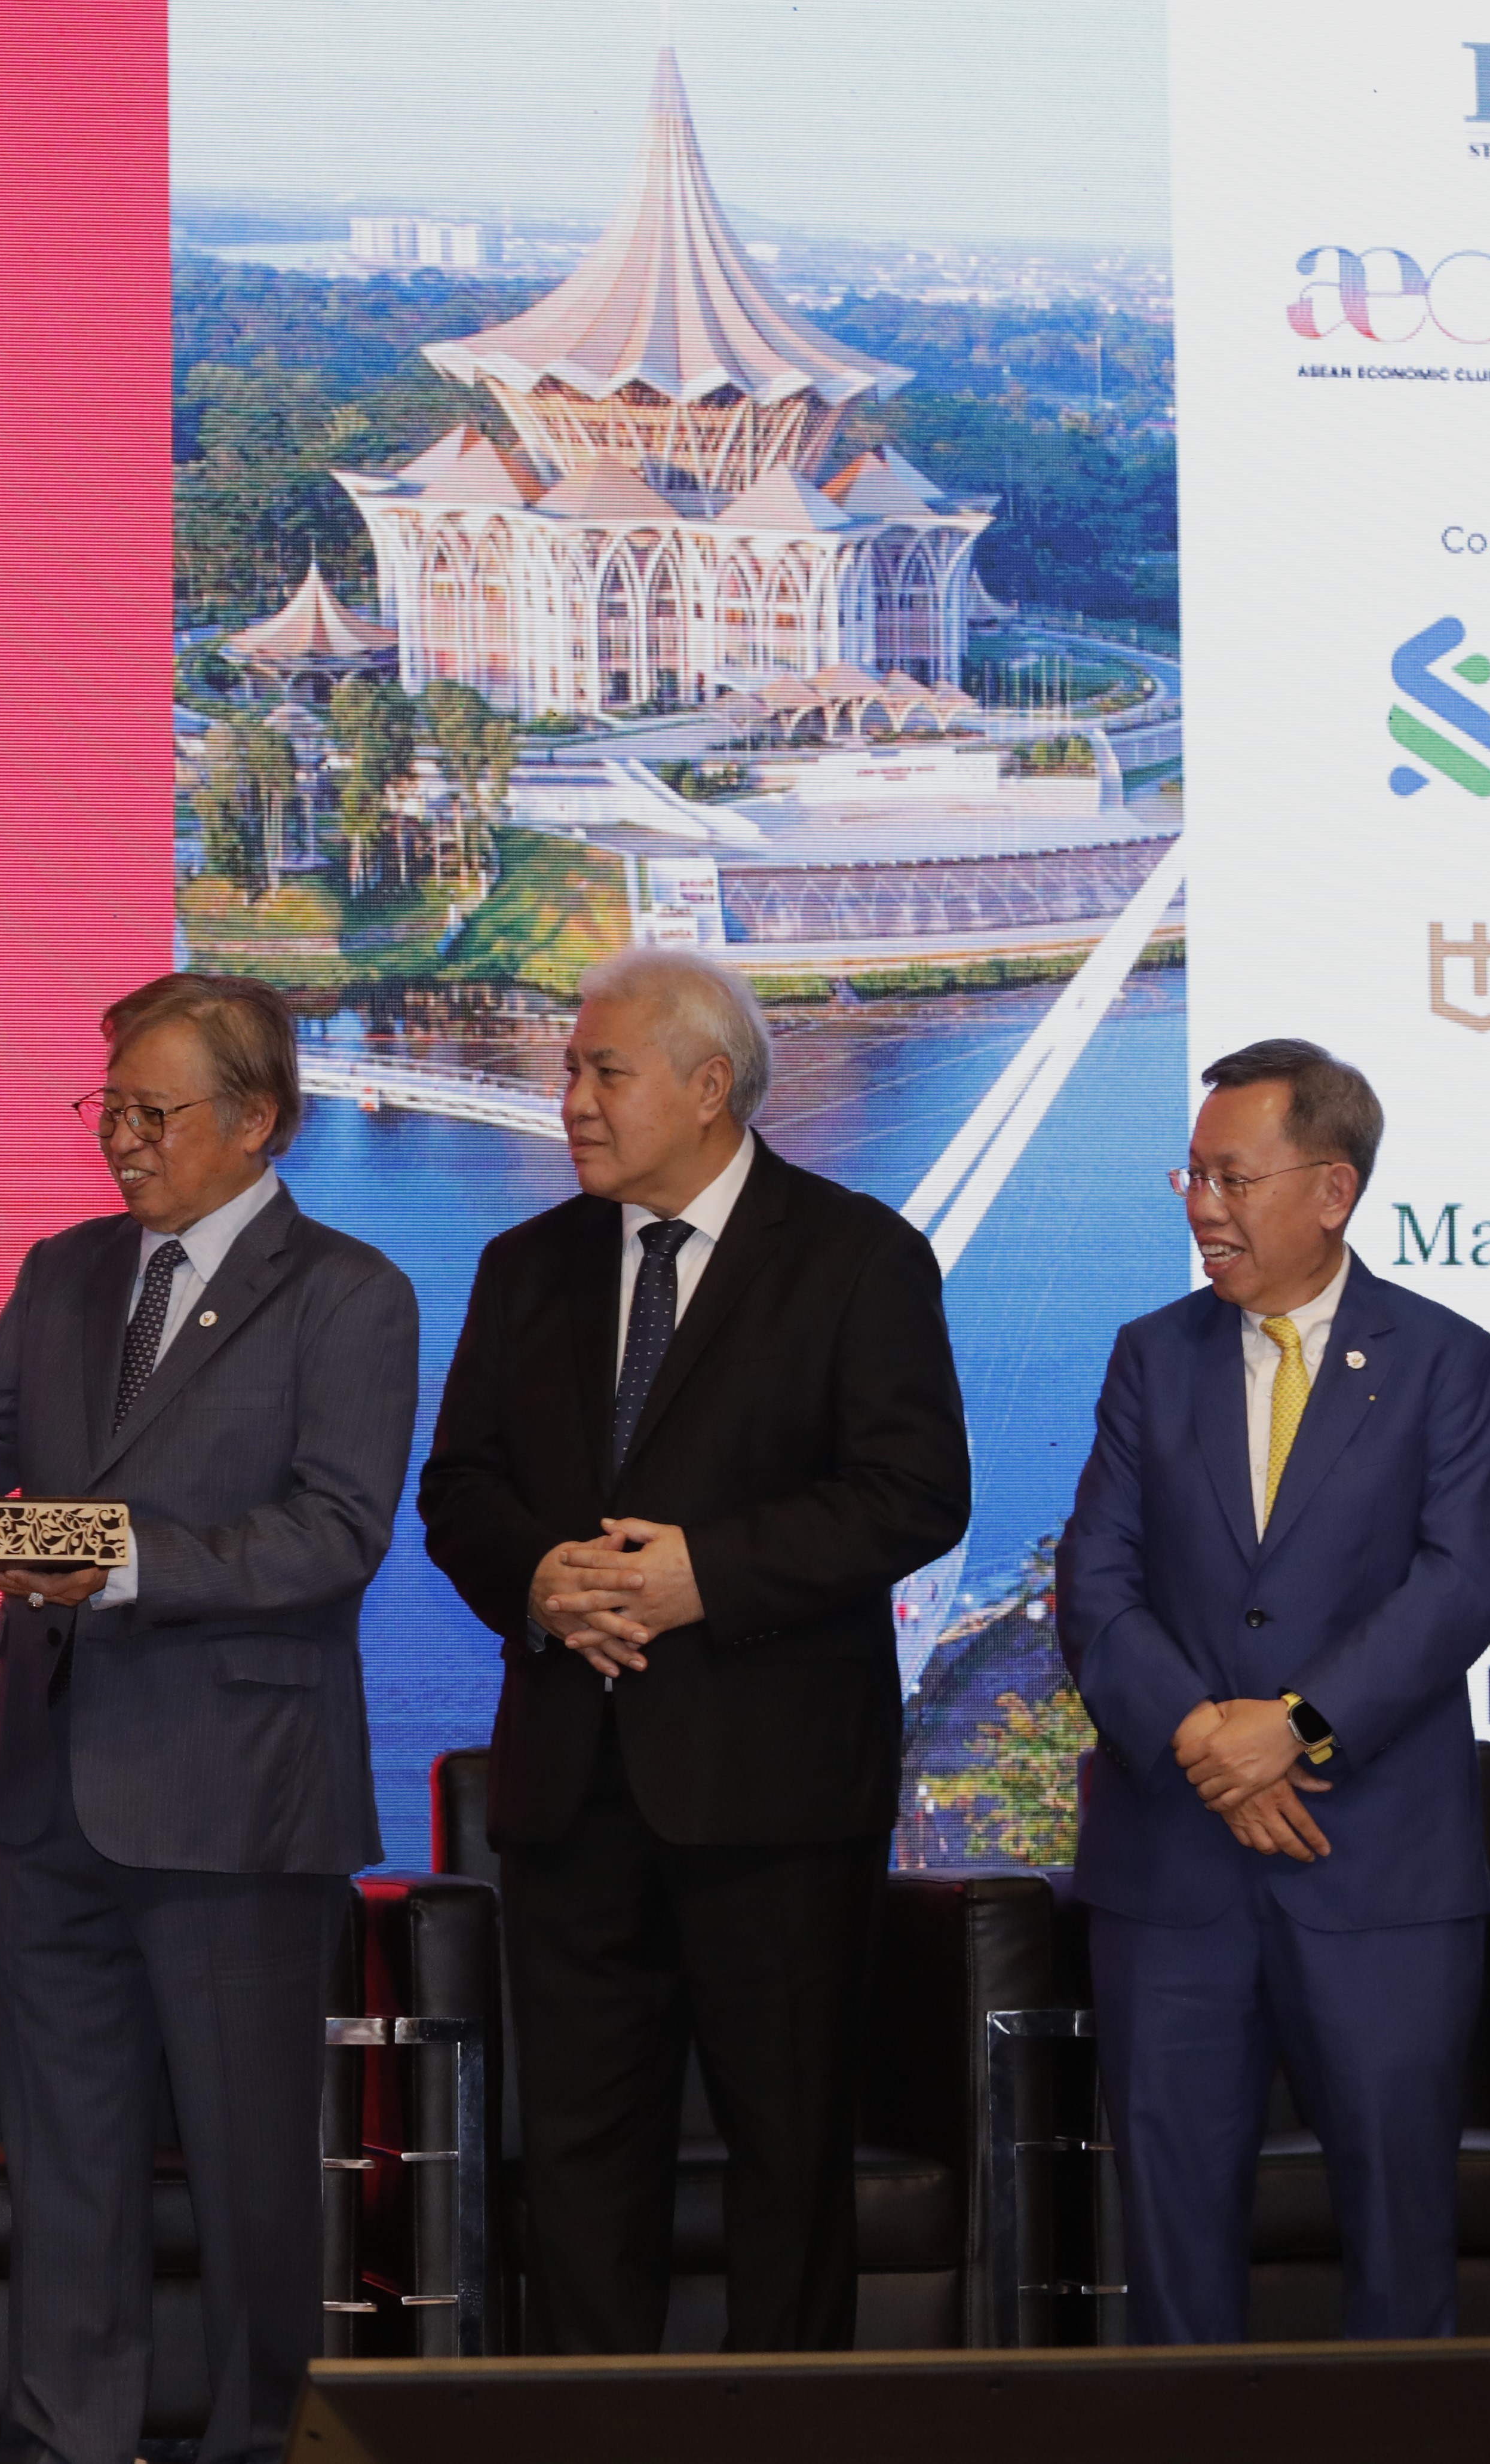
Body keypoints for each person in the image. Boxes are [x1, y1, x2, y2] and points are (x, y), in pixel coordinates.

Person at [0, 971, 415, 2464]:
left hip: (237, 1801)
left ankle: (260, 2442)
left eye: (154, 1113)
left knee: (248, 2174)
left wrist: (125, 1563)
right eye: (108, 1108)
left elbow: (335, 1533)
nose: (120, 1140)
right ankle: (64, 2439)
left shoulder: (349, 1292)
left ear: (257, 1120)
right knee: (68, 2161)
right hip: (52, 1791)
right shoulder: (66, 1271)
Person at [418, 947, 966, 2353]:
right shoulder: (524, 1266)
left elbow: (912, 1494)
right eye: (568, 1072)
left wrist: (700, 1577)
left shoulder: (853, 1256)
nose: (568, 1101)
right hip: (569, 1796)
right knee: (580, 2179)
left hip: (775, 1802)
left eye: (601, 1073)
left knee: (788, 2167)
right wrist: (537, 1580)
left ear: (708, 1086)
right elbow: (459, 1489)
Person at [1054, 1039, 1490, 2343]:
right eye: (1191, 1176)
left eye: (1232, 1179)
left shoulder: (1440, 1357)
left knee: (1399, 2251)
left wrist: (1295, 1727)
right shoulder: (1151, 1356)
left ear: (1330, 1189)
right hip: (1173, 1873)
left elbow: (1457, 1584)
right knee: (1173, 2263)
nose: (1202, 1206)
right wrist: (1205, 1738)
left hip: (1378, 1876)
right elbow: (1094, 1581)